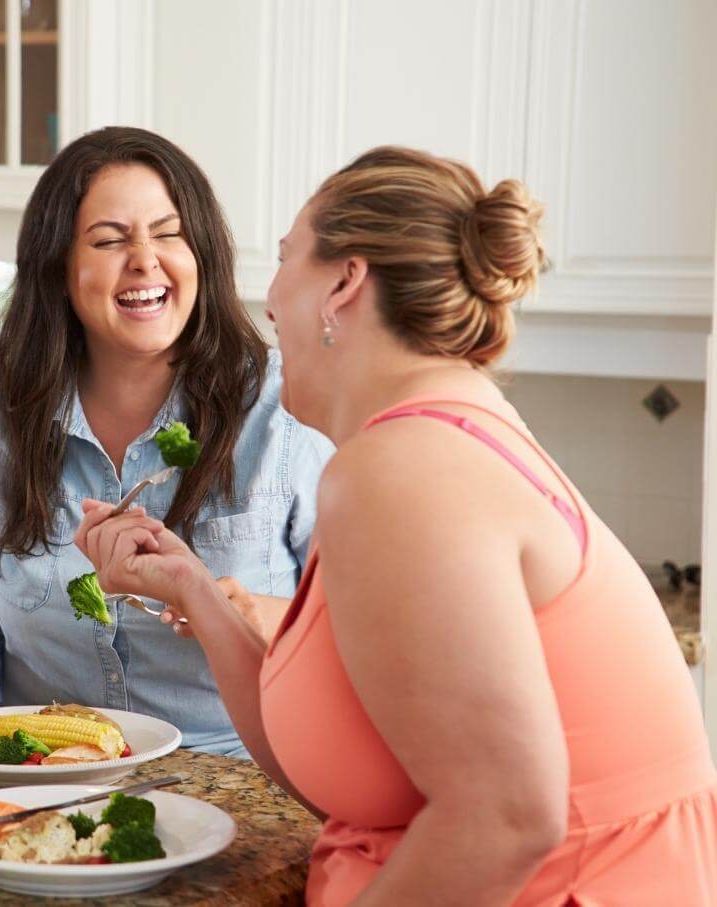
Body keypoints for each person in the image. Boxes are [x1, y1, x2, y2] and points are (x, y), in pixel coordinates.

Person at [75, 146, 717, 903]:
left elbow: (508, 817)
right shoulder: (430, 438)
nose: (269, 296)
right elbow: (355, 772)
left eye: (286, 258)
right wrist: (193, 588)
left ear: (343, 283)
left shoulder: (400, 469)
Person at [0, 126, 333, 757]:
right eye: (109, 240)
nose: (146, 260)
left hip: (242, 776)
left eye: (168, 233)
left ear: (201, 253)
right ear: (60, 271)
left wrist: (224, 607)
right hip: (46, 778)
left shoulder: (286, 412)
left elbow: (352, 633)